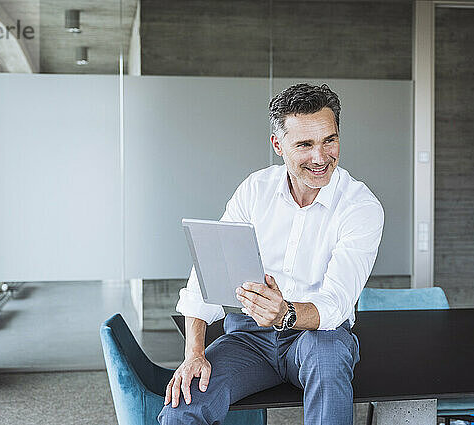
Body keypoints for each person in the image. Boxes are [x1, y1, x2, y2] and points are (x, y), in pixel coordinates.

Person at [158, 83, 384, 425]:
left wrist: (285, 314)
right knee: (184, 403)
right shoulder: (255, 189)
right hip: (248, 338)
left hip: (317, 337)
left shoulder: (360, 206)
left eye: (329, 140)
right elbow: (208, 274)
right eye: (305, 145)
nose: (320, 157)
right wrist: (194, 354)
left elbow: (337, 303)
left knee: (328, 357)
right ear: (278, 145)